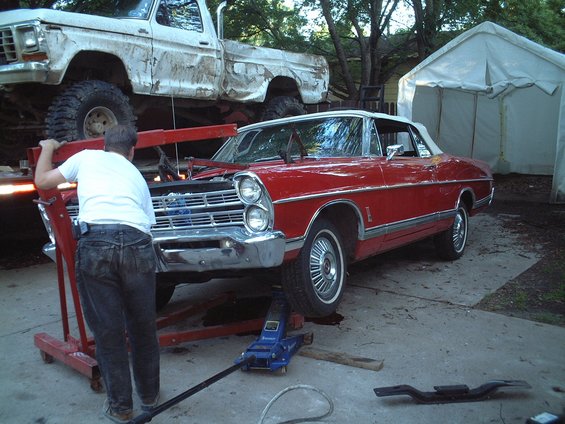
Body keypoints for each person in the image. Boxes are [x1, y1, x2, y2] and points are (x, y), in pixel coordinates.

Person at [34, 125, 160, 423]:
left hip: (96, 243)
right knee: (143, 327)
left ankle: (121, 408)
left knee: (108, 332)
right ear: (131, 151)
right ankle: (150, 397)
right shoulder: (137, 177)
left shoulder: (86, 157)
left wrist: (48, 147)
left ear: (105, 145)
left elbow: (42, 180)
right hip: (137, 242)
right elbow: (146, 225)